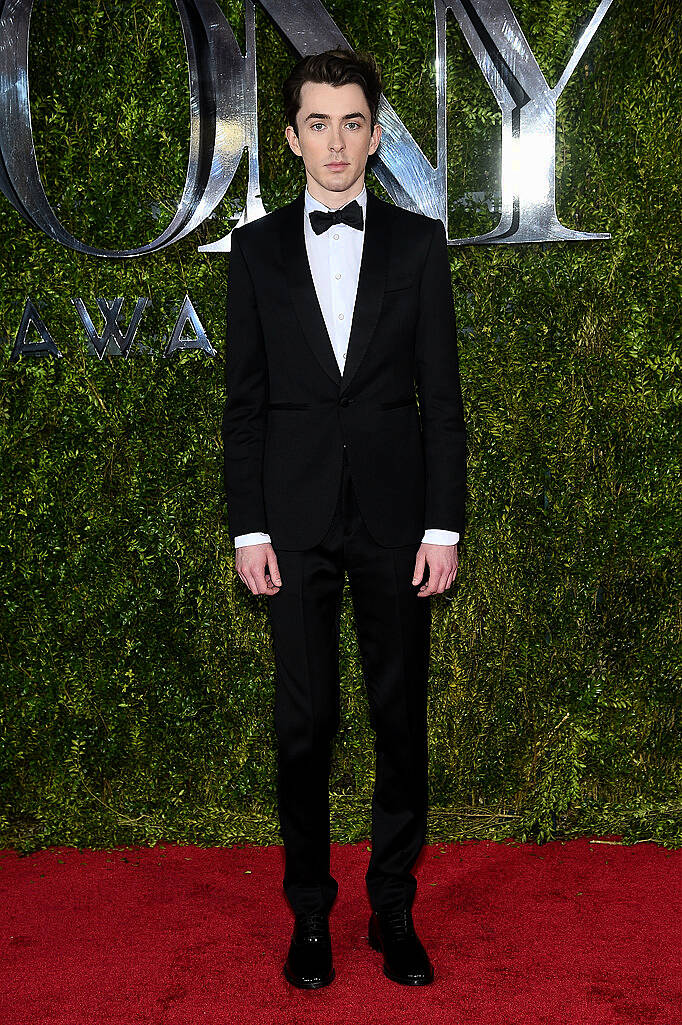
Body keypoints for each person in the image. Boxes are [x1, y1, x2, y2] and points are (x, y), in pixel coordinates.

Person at [222, 48, 466, 988]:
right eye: (317, 122)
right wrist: (250, 529)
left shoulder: (419, 244)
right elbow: (244, 406)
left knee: (400, 718)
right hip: (291, 526)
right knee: (305, 724)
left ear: (374, 131)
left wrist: (442, 527)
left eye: (352, 121)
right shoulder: (256, 251)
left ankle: (392, 911)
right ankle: (312, 913)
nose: (335, 140)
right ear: (291, 137)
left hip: (399, 527)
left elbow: (440, 401)